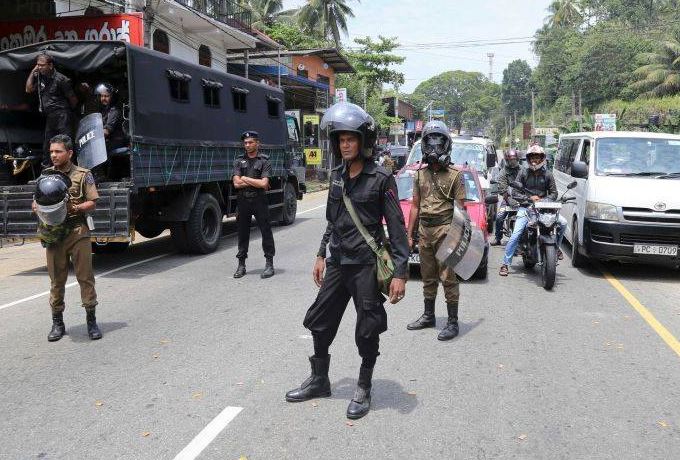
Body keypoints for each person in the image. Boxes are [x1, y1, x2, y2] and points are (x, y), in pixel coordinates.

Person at [285, 102, 409, 420]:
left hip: (366, 265)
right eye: (341, 140)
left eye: (350, 139)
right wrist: (320, 254)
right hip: (339, 262)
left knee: (367, 329)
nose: (345, 145)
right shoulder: (337, 175)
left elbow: (397, 229)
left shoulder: (382, 179)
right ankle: (320, 379)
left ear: (364, 141)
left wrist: (400, 273)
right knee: (319, 320)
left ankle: (364, 386)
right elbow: (333, 219)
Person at [33, 134, 102, 341]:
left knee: (85, 278)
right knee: (56, 280)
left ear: (69, 153)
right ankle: (57, 323)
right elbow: (35, 201)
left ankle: (91, 321)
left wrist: (76, 207)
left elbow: (93, 202)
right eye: (51, 151)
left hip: (77, 232)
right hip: (54, 234)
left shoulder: (83, 175)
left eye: (58, 151)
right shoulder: (45, 176)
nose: (53, 155)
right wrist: (37, 207)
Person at [405, 120, 466, 341]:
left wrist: (460, 239)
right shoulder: (419, 174)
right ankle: (429, 315)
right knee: (427, 276)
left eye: (438, 143)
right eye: (429, 143)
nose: (433, 148)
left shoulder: (455, 175)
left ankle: (452, 322)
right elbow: (414, 205)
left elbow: (461, 210)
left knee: (448, 277)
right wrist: (408, 234)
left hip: (445, 230)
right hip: (424, 230)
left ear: (446, 145)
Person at [499, 145, 566, 276]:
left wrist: (543, 200)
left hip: (544, 209)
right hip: (526, 207)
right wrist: (529, 198)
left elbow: (554, 193)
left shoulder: (548, 174)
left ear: (542, 159)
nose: (534, 160)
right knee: (516, 234)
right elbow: (515, 193)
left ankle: (556, 248)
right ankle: (505, 264)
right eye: (532, 158)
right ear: (528, 159)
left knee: (563, 224)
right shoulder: (523, 172)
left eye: (537, 157)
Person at [232, 131, 275, 279]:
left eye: (250, 142)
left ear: (257, 143)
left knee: (266, 232)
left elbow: (264, 184)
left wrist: (244, 177)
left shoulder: (264, 161)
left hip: (259, 201)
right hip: (243, 201)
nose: (247, 145)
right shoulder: (239, 161)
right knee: (242, 233)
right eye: (245, 143)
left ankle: (269, 264)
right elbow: (236, 184)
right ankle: (241, 265)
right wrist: (252, 181)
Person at [25, 53, 78, 166]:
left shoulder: (61, 79)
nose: (39, 67)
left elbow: (73, 99)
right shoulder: (40, 78)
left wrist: (69, 114)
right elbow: (28, 89)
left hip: (62, 114)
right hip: (50, 116)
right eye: (38, 65)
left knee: (65, 143)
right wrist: (33, 72)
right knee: (48, 144)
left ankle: (69, 170)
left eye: (42, 65)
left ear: (50, 65)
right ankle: (47, 171)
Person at [491, 149, 522, 246]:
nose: (512, 162)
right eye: (510, 160)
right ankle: (498, 237)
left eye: (514, 159)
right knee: (500, 217)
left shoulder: (523, 170)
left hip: (522, 199)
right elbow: (503, 188)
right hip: (507, 199)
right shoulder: (503, 172)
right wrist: (508, 199)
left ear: (517, 159)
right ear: (507, 160)